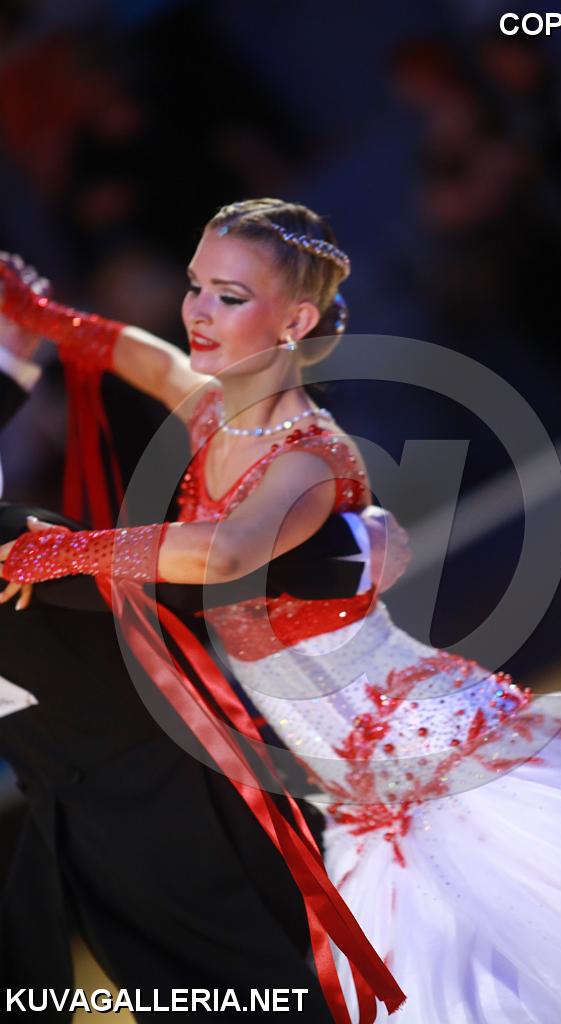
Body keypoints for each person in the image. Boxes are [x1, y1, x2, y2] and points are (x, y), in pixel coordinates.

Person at [1, 198, 561, 1023]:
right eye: (195, 286)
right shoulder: (214, 413)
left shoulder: (309, 456)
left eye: (229, 296)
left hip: (416, 753)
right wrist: (44, 317)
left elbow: (225, 552)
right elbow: (144, 357)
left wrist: (74, 550)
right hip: (355, 791)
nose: (198, 312)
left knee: (538, 948)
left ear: (294, 322)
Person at [0, 255, 409, 1021]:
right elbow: (198, 573)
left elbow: (162, 373)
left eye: (223, 296)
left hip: (123, 826)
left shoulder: (271, 429)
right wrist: (342, 554)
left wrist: (40, 329)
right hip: (175, 813)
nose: (199, 313)